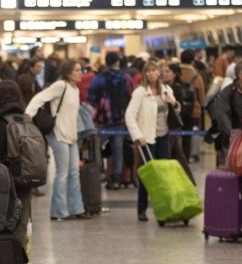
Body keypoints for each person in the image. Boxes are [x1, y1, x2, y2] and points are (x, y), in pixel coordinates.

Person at [0, 80, 40, 252]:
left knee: (1, 224)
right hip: (25, 180)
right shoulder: (26, 120)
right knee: (21, 223)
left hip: (2, 183)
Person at [26, 59, 91, 221]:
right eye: (76, 70)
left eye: (80, 70)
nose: (80, 73)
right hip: (58, 133)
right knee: (62, 173)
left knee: (74, 173)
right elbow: (39, 98)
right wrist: (27, 115)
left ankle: (77, 208)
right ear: (68, 72)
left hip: (71, 135)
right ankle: (59, 211)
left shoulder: (74, 89)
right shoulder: (60, 86)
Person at [125, 61, 180, 223]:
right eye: (148, 71)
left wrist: (174, 103)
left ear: (159, 72)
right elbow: (130, 115)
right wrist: (137, 135)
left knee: (163, 174)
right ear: (144, 74)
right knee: (148, 175)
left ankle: (163, 209)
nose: (151, 74)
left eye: (154, 70)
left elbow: (177, 109)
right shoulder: (140, 92)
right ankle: (141, 209)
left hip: (164, 136)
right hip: (147, 139)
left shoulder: (166, 90)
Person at [87, 52, 134, 190]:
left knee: (95, 146)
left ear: (106, 62)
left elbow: (90, 98)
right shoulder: (126, 78)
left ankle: (100, 171)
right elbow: (132, 95)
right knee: (118, 148)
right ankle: (115, 179)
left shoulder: (99, 78)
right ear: (118, 62)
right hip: (120, 119)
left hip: (103, 119)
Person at [178, 49, 206, 162]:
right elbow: (202, 97)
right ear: (192, 60)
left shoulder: (174, 73)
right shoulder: (196, 76)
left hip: (176, 110)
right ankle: (187, 157)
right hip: (193, 111)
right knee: (188, 136)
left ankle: (177, 157)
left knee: (176, 135)